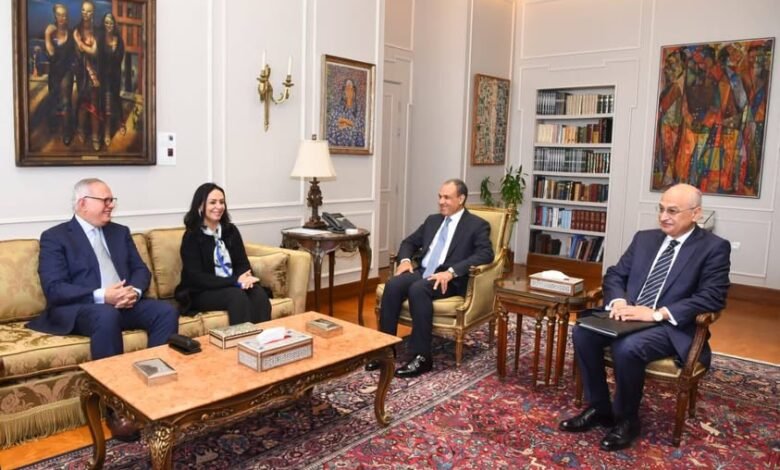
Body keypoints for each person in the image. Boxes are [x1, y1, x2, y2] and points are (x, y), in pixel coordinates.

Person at [558, 183, 730, 451]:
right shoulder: (645, 239)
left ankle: (627, 420)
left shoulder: (714, 248)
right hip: (630, 314)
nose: (663, 217)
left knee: (628, 347)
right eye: (661, 209)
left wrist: (656, 313)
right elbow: (615, 274)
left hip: (670, 325)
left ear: (696, 213)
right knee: (583, 333)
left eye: (672, 211)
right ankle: (600, 408)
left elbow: (712, 297)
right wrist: (618, 302)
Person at [28, 178, 179, 441]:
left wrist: (134, 292)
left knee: (165, 311)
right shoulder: (55, 237)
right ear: (82, 204)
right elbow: (55, 288)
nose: (111, 205)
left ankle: (155, 393)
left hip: (124, 303)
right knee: (105, 314)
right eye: (105, 201)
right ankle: (115, 408)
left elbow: (140, 270)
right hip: (82, 308)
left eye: (112, 200)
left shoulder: (119, 232)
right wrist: (103, 296)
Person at [367, 178, 494, 378]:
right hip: (423, 272)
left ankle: (422, 357)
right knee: (393, 284)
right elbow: (408, 242)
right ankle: (385, 349)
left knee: (418, 289)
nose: (441, 201)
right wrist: (405, 261)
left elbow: (486, 254)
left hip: (449, 280)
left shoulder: (476, 225)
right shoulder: (432, 221)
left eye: (447, 197)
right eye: (440, 197)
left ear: (461, 199)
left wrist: (452, 271)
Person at [175, 183, 272, 325]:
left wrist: (244, 278)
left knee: (258, 293)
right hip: (201, 291)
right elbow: (197, 277)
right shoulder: (192, 236)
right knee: (236, 296)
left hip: (231, 285)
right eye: (213, 202)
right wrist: (235, 281)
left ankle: (263, 337)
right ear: (200, 206)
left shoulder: (230, 231)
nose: (219, 206)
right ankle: (241, 338)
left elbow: (242, 263)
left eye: (222, 202)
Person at [44, 3, 76, 145]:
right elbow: (51, 54)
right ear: (55, 16)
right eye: (59, 15)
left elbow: (75, 55)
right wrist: (46, 35)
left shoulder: (71, 33)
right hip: (54, 72)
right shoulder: (50, 33)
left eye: (64, 15)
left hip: (67, 71)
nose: (62, 18)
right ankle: (53, 125)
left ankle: (67, 132)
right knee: (53, 98)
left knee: (66, 101)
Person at [73, 1, 101, 151]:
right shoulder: (76, 30)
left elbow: (95, 52)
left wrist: (80, 43)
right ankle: (81, 129)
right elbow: (79, 55)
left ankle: (95, 136)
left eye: (89, 11)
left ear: (93, 13)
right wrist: (90, 73)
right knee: (83, 101)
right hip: (83, 72)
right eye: (83, 10)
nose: (85, 13)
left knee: (95, 103)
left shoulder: (97, 31)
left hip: (97, 71)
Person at [97, 13, 125, 148]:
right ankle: (107, 132)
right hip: (104, 77)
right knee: (107, 103)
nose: (109, 25)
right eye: (106, 22)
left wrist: (114, 50)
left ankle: (121, 122)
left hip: (115, 76)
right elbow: (98, 60)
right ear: (104, 24)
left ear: (114, 24)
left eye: (111, 23)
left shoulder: (119, 40)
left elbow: (119, 59)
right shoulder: (100, 40)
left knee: (116, 99)